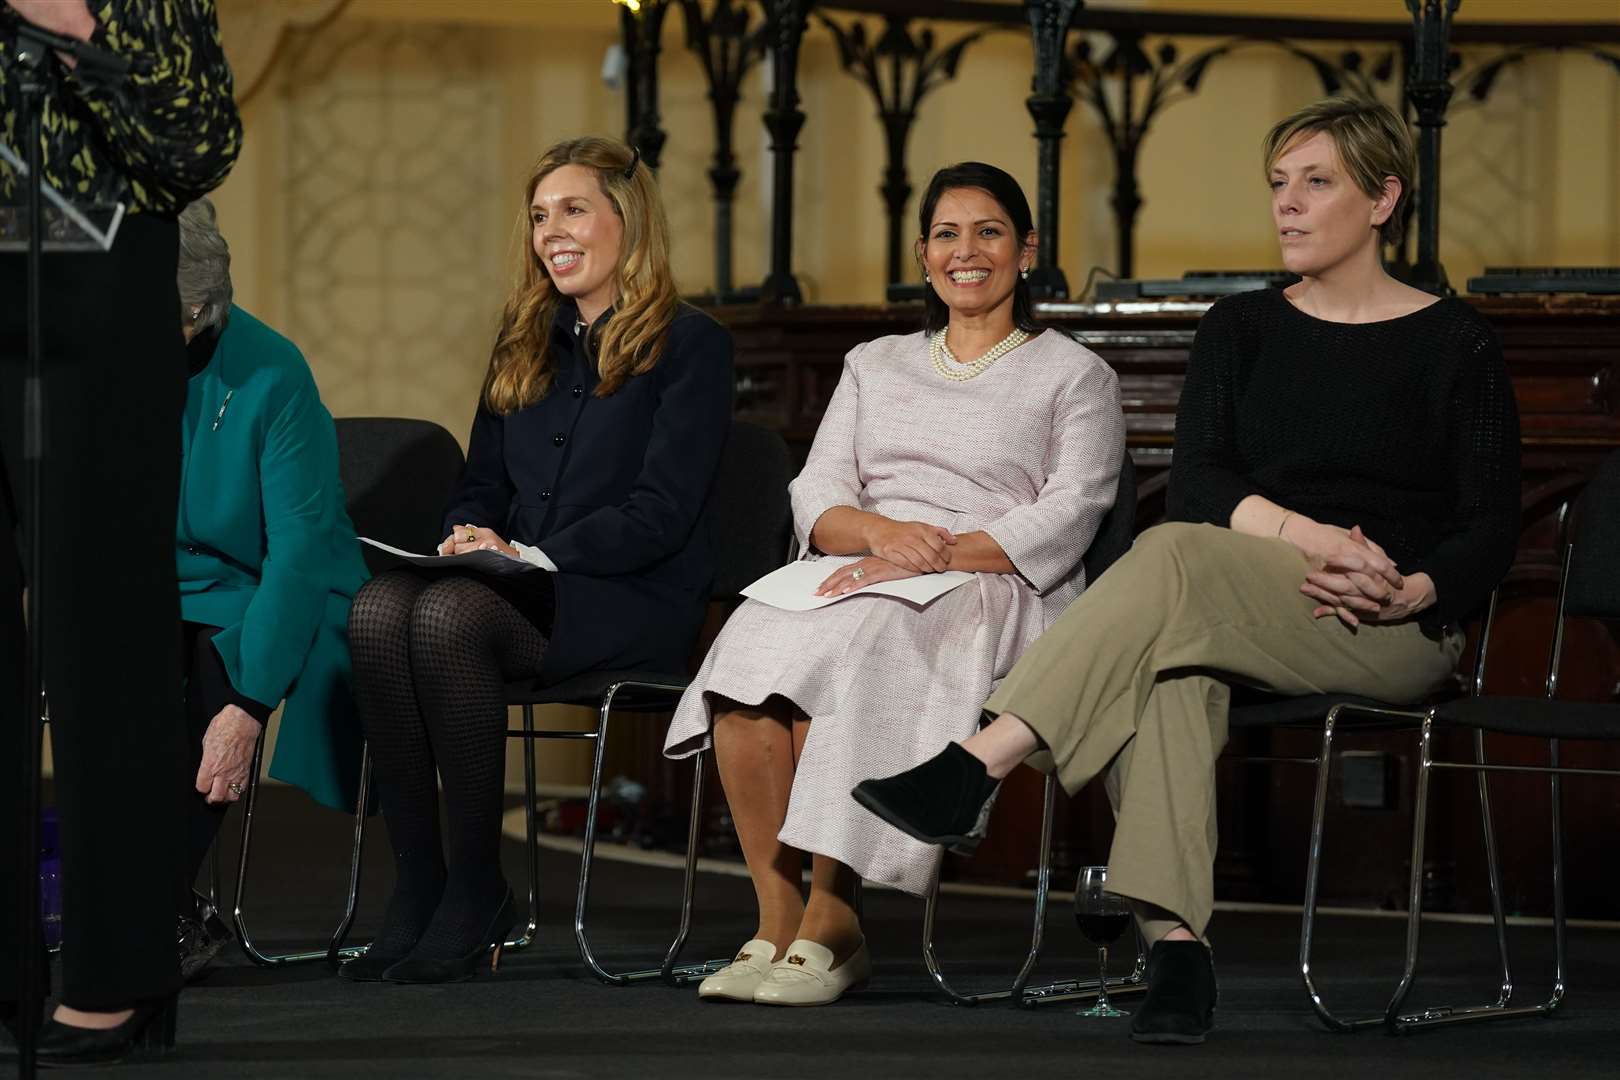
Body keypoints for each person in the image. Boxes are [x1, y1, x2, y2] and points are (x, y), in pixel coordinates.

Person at [852, 97, 1521, 1045]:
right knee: (1170, 666)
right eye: (1278, 185)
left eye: (1316, 182)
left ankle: (979, 761)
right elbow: (1203, 481)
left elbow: (1490, 524)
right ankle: (1176, 951)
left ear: (1383, 199)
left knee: (1166, 560)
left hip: (1393, 624)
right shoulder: (1241, 328)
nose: (1287, 205)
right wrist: (1311, 538)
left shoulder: (1456, 340)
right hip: (1253, 596)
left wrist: (1413, 586)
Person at [664, 162, 1125, 1007]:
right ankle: (777, 917)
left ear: (1027, 251)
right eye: (947, 234)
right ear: (923, 255)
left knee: (862, 646)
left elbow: (1073, 509)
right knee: (749, 645)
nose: (967, 251)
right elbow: (817, 489)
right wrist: (881, 536)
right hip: (867, 562)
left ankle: (835, 920)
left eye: (989, 232)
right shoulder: (875, 362)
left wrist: (937, 554)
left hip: (995, 579)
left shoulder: (1073, 373)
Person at [344, 136, 734, 984]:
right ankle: (420, 885)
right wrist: (466, 535)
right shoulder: (523, 340)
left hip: (632, 599)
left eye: (572, 209)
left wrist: (531, 554)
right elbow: (479, 484)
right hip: (518, 586)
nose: (549, 231)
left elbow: (661, 514)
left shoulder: (691, 344)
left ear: (627, 222)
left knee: (446, 616)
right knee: (376, 611)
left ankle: (479, 886)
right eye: (537, 216)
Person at [0, 0, 240, 1065]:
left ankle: (120, 969)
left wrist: (70, 24)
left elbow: (197, 141)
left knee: (99, 647)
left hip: (88, 315)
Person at [171, 196, 370, 980]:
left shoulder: (272, 371)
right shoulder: (109, 364)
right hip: (160, 585)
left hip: (264, 589)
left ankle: (150, 908)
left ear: (195, 306)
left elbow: (297, 553)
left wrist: (251, 704)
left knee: (206, 695)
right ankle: (168, 910)